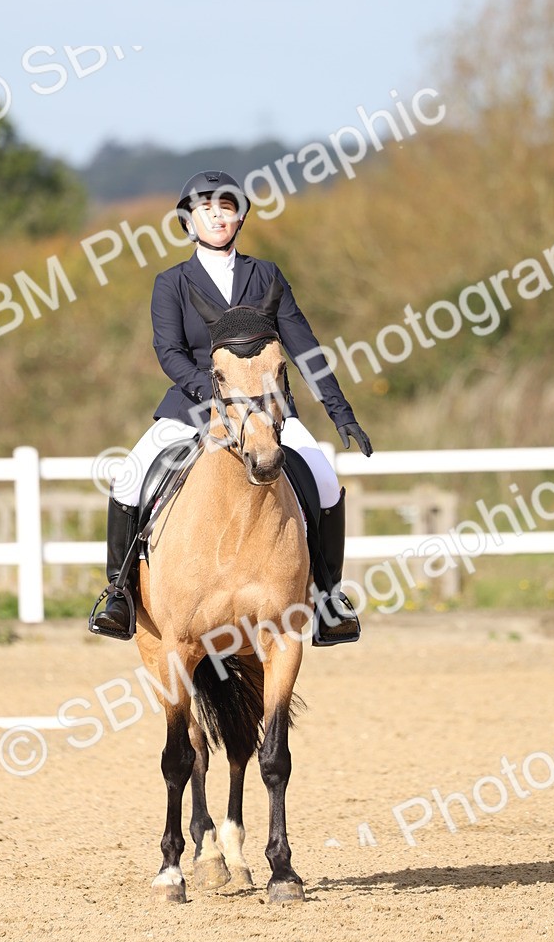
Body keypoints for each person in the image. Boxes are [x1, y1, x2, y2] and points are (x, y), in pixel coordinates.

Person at [91, 169, 373, 645]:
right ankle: (118, 594)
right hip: (194, 404)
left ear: (240, 217)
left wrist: (341, 412)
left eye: (226, 208)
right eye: (206, 209)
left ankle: (328, 599)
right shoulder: (172, 282)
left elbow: (304, 349)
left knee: (324, 480)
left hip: (266, 407)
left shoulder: (266, 275)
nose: (216, 216)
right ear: (188, 221)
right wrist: (211, 392)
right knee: (128, 476)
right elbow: (170, 352)